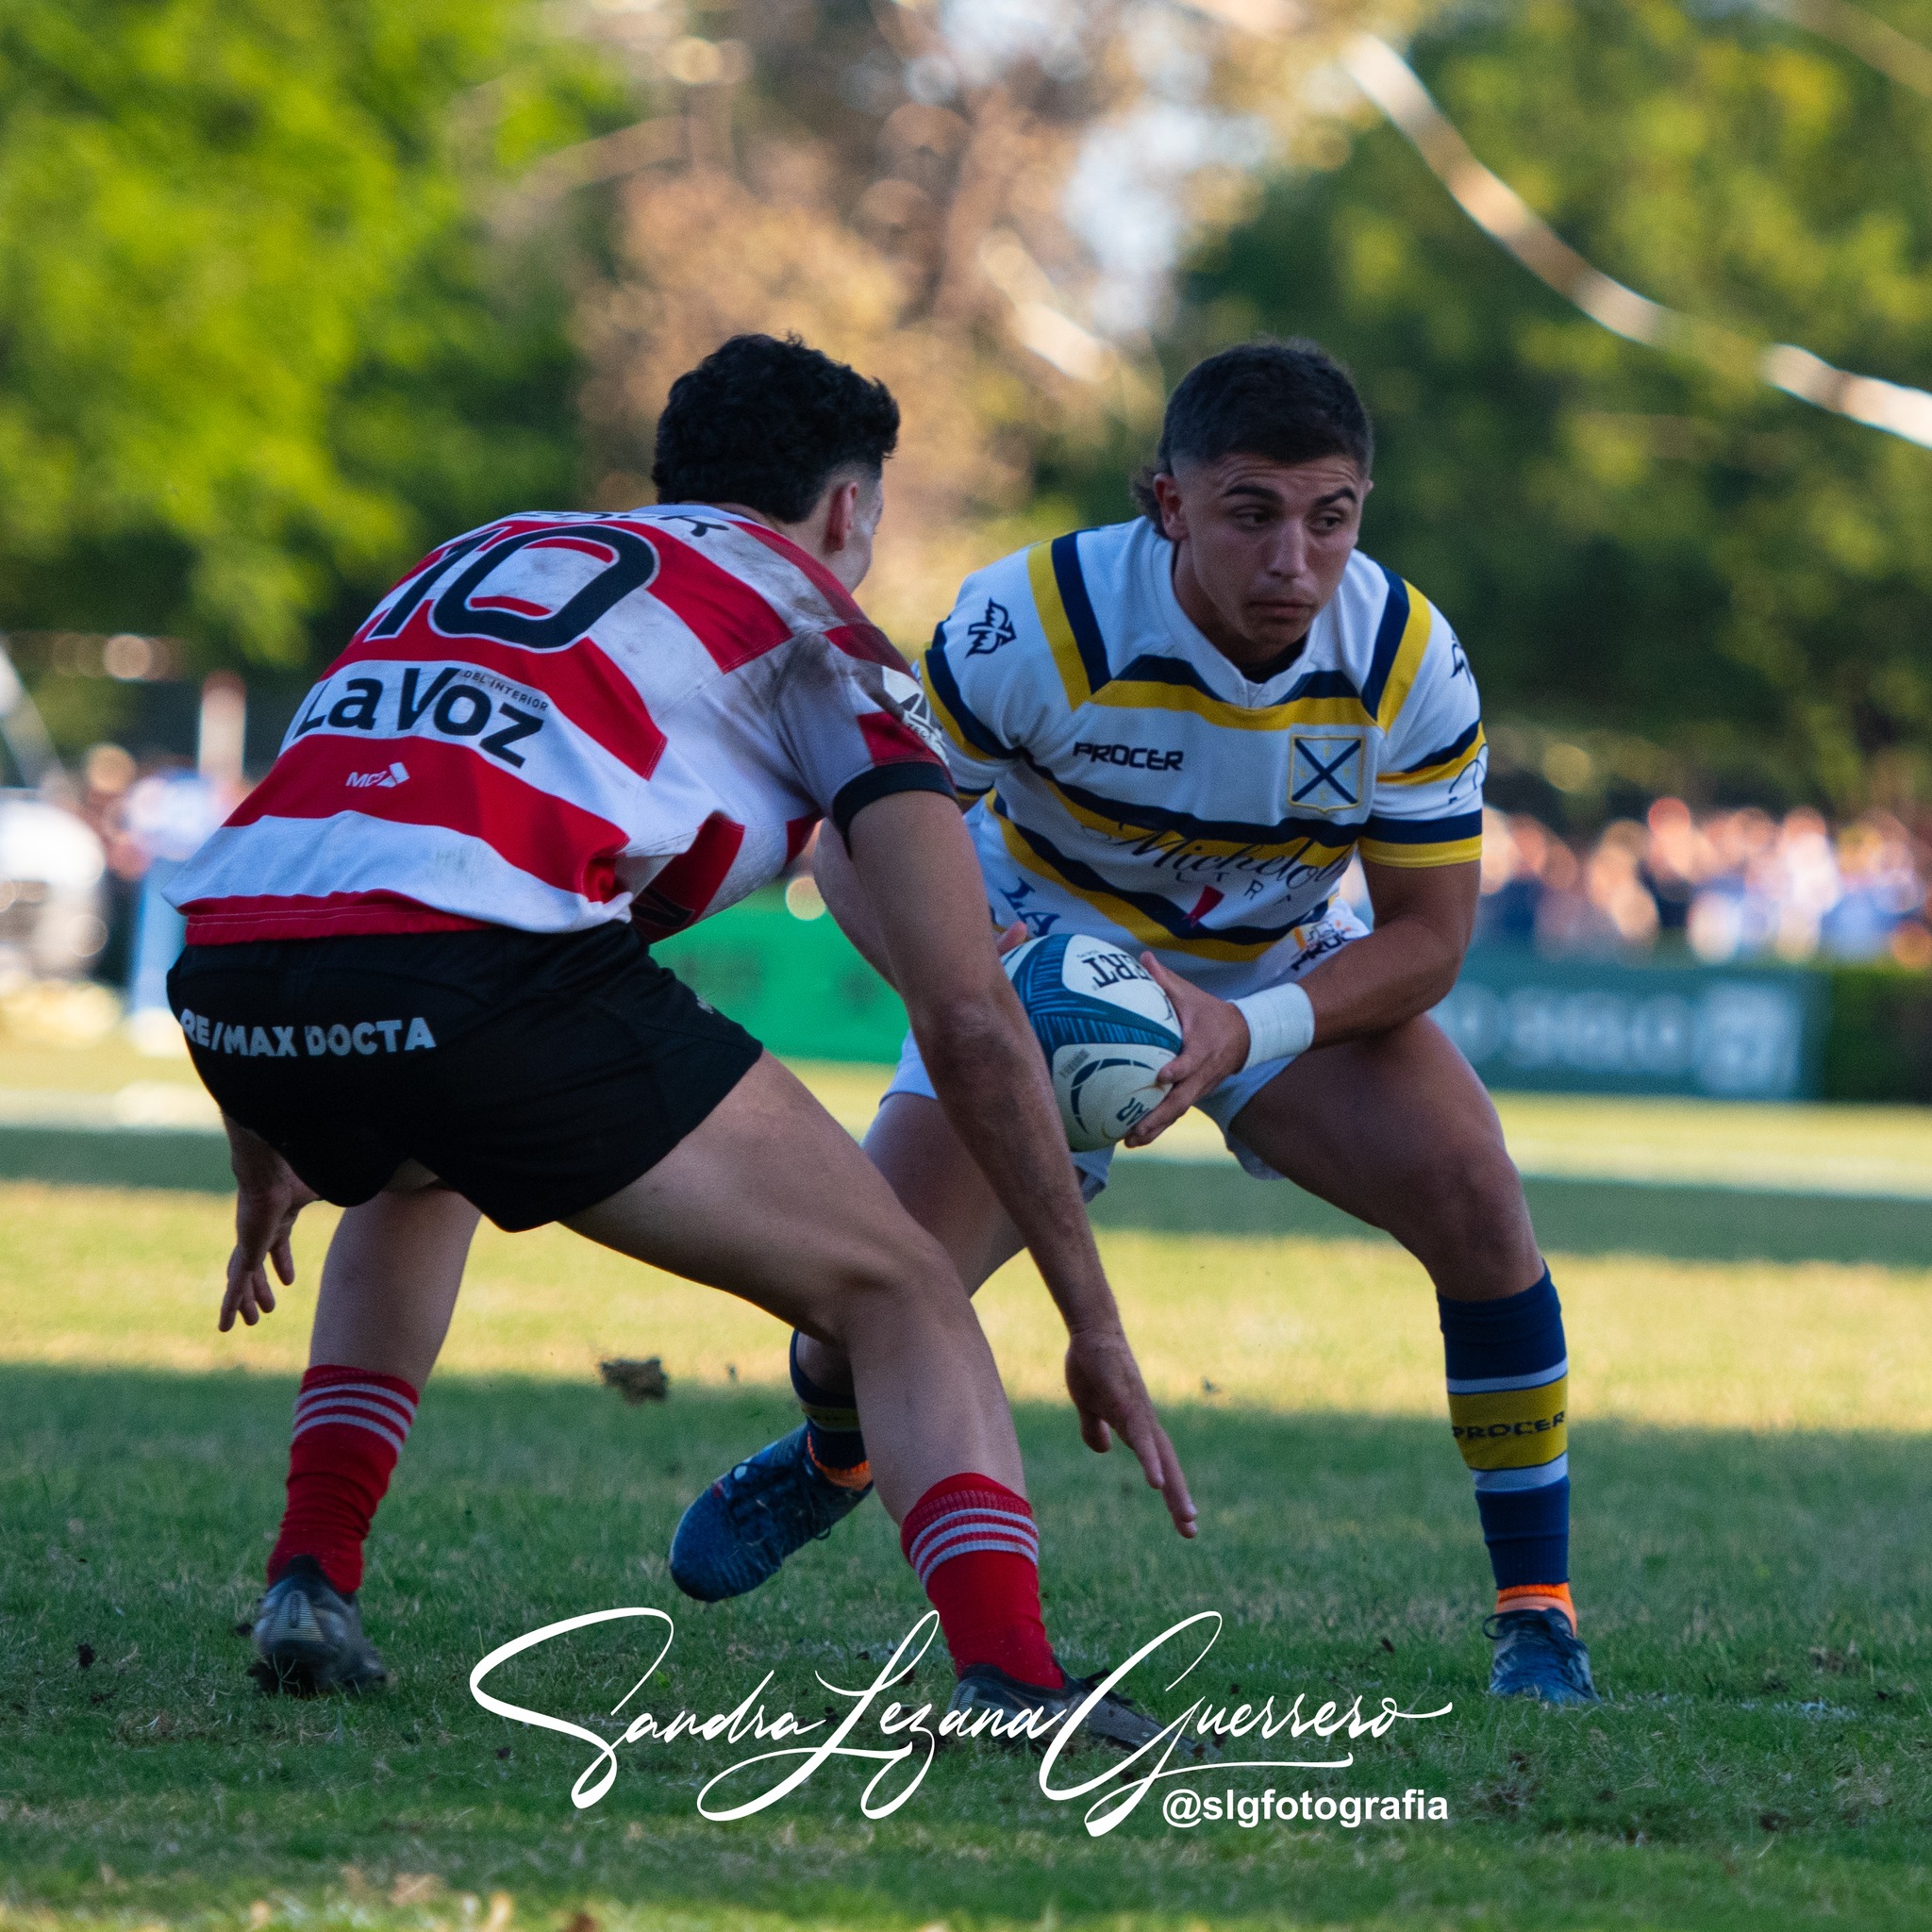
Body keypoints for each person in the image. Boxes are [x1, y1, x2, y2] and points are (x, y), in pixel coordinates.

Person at [164, 332, 1193, 1734]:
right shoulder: (819, 628)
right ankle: (1011, 1679)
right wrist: (1092, 1317)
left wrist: (264, 1139)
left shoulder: (489, 548)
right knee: (902, 1292)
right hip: (470, 969)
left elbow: (331, 826)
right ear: (848, 511)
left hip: (226, 973)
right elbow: (967, 1013)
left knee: (420, 1172)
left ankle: (309, 1579)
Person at [673, 339, 1599, 1707]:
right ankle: (831, 1452)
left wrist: (1247, 1029)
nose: (1296, 557)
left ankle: (1539, 1613)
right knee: (864, 1303)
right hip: (1028, 960)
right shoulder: (1032, 620)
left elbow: (1428, 939)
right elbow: (853, 849)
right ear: (1164, 502)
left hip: (1264, 963)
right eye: (1252, 512)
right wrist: (978, 989)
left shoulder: (1406, 653)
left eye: (1330, 517)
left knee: (1478, 1196)